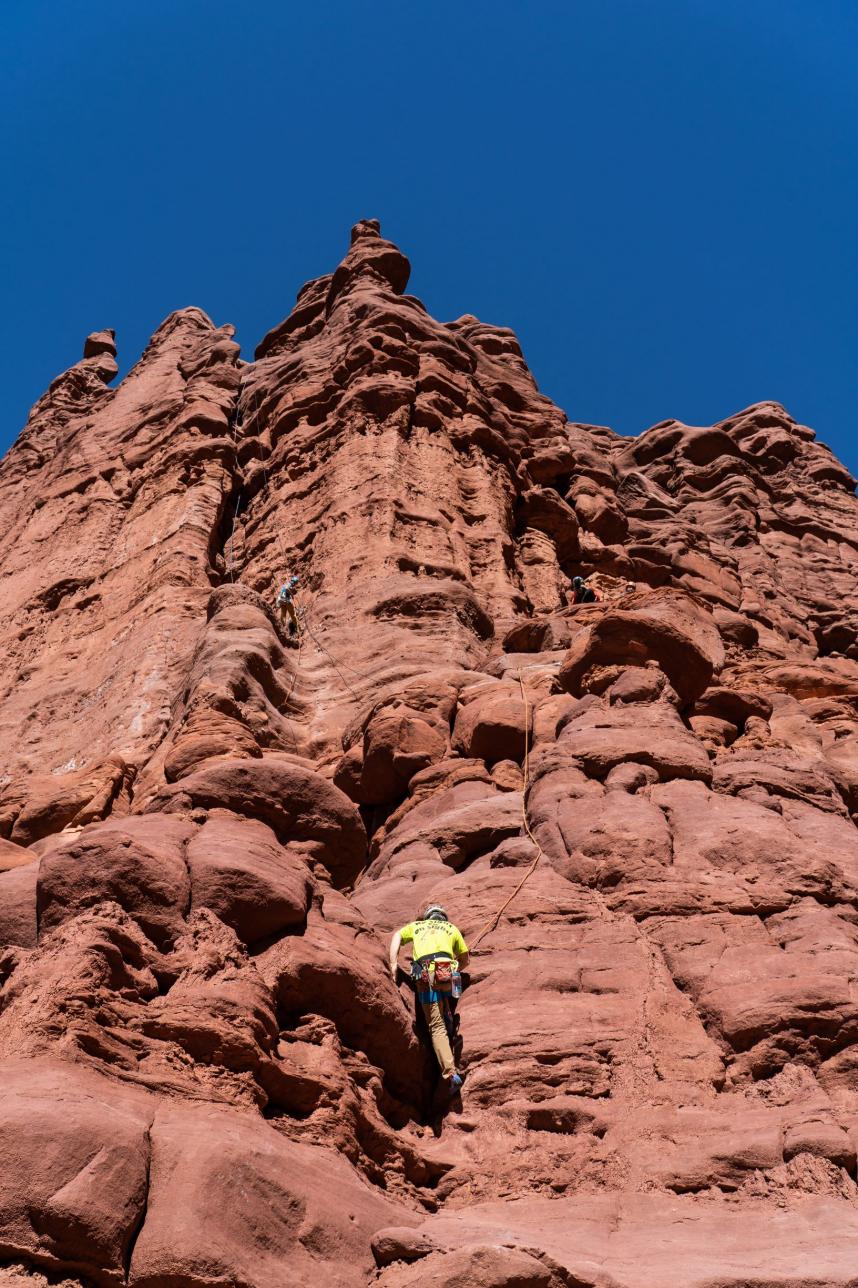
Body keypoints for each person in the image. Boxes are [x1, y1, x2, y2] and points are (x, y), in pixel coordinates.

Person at [389, 904, 469, 1093]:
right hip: (447, 974)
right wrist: (455, 967)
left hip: (425, 976)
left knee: (436, 1026)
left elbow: (397, 936)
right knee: (445, 992)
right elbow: (465, 959)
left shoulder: (417, 926)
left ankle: (450, 1074)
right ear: (443, 918)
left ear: (427, 917)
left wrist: (393, 963)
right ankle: (449, 1016)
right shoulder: (452, 929)